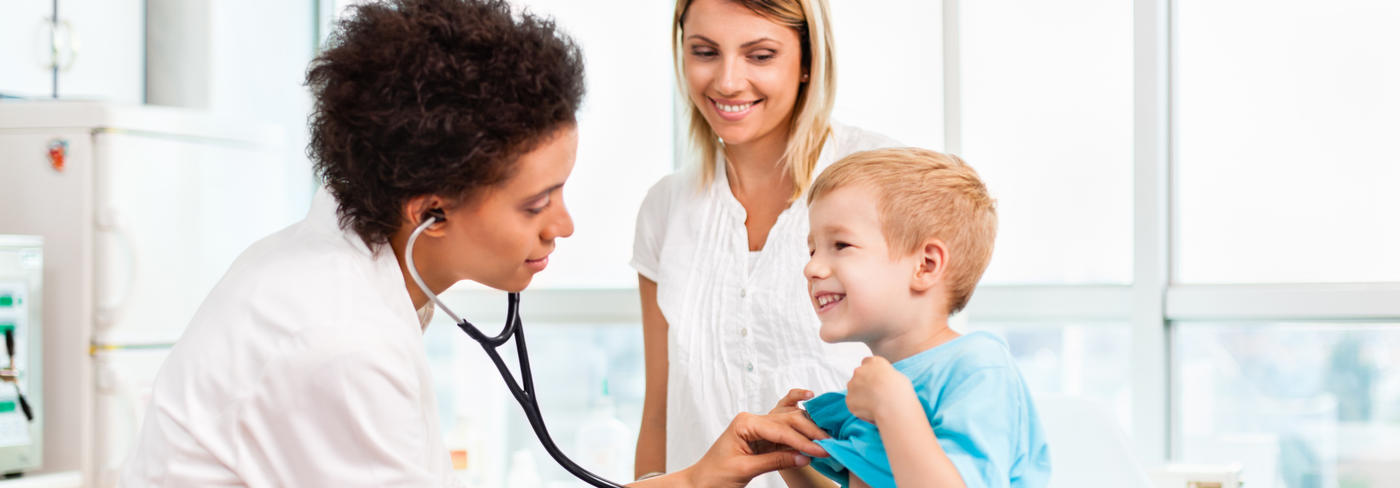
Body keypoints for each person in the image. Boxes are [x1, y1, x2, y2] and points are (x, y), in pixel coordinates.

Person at [120, 1, 828, 486]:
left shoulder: (344, 250)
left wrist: (700, 477)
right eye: (536, 204)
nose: (564, 227)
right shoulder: (339, 339)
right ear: (432, 213)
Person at [632, 0, 899, 484]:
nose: (728, 81)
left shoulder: (885, 177)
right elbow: (659, 411)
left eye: (760, 55)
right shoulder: (664, 208)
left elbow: (927, 385)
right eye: (705, 51)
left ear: (806, 60)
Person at [775, 148, 1052, 488]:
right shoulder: (879, 391)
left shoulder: (977, 369)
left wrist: (893, 408)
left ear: (926, 266)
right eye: (813, 249)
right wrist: (791, 457)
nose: (812, 267)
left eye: (841, 245)